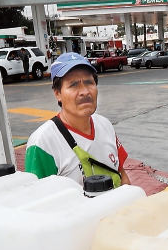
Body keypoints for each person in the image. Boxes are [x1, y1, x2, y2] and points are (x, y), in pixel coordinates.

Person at [24, 52, 131, 186]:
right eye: (73, 85)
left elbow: (122, 176)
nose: (85, 91)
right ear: (58, 93)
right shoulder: (42, 143)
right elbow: (37, 200)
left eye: (89, 82)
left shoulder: (105, 125)